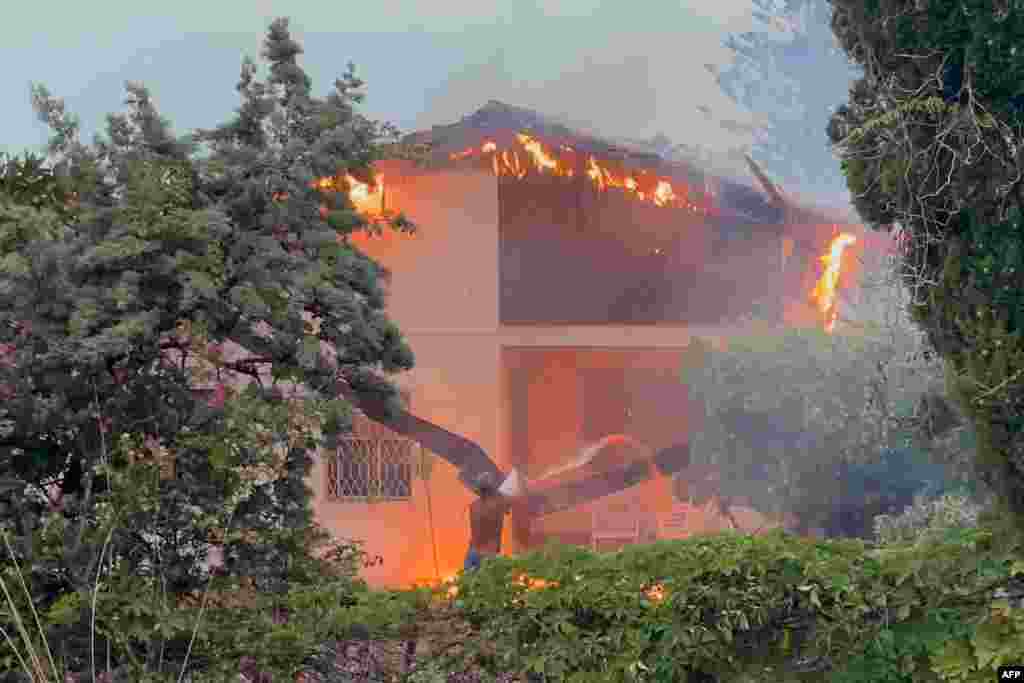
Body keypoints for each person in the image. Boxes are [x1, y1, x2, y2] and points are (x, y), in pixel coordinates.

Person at [464, 472, 512, 572]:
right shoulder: (498, 505)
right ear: (492, 490)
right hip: (489, 555)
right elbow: (510, 503)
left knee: (471, 585)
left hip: (472, 554)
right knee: (492, 586)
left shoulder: (473, 506)